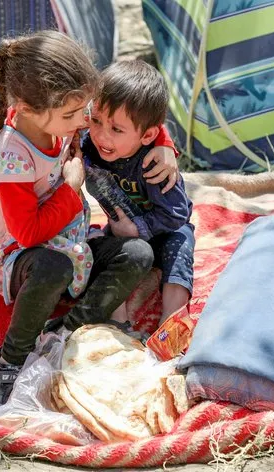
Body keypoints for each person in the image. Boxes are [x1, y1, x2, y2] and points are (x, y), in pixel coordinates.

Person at [0, 32, 175, 404]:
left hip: (74, 248)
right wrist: (70, 188)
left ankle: (65, 329)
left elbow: (128, 112)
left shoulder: (60, 117)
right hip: (27, 261)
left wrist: (163, 143)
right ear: (30, 110)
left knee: (138, 254)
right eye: (74, 116)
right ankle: (10, 359)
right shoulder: (12, 155)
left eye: (84, 111)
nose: (85, 122)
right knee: (53, 268)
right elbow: (29, 233)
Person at [82, 60, 194, 326]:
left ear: (147, 136)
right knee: (96, 251)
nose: (101, 135)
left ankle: (172, 321)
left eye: (116, 130)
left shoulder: (155, 164)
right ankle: (117, 325)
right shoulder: (88, 147)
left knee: (180, 249)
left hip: (166, 232)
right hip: (121, 235)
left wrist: (139, 229)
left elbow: (177, 213)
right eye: (96, 121)